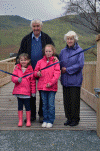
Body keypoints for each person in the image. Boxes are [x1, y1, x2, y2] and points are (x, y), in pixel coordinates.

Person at [16, 19, 55, 123]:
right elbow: (20, 54)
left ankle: (42, 115)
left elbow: (53, 51)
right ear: (31, 27)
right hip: (29, 71)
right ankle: (32, 115)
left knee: (43, 93)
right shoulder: (26, 39)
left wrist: (56, 58)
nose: (36, 28)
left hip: (44, 71)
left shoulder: (46, 38)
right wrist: (17, 65)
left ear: (41, 27)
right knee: (30, 93)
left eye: (38, 26)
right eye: (34, 26)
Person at [59, 31, 84, 126]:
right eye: (68, 39)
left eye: (71, 39)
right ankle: (69, 118)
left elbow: (80, 65)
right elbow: (60, 64)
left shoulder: (79, 51)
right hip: (65, 80)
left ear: (75, 39)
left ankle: (75, 119)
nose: (69, 41)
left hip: (75, 80)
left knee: (74, 101)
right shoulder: (62, 51)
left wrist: (67, 69)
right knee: (67, 100)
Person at [34, 44, 60, 128]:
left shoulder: (55, 61)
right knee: (44, 105)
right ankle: (45, 119)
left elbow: (56, 74)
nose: (48, 53)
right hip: (42, 87)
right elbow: (35, 72)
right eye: (46, 51)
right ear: (44, 52)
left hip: (51, 87)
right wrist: (37, 73)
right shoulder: (40, 62)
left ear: (53, 52)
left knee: (51, 105)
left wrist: (51, 83)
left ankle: (50, 120)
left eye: (50, 51)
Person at [12, 53, 36, 127]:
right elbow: (13, 78)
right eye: (21, 60)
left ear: (28, 61)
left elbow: (33, 82)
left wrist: (33, 92)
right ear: (19, 60)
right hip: (19, 92)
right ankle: (20, 120)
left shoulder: (30, 70)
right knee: (20, 107)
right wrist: (17, 79)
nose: (23, 61)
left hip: (27, 93)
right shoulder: (17, 68)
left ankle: (28, 120)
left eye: (25, 60)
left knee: (28, 107)